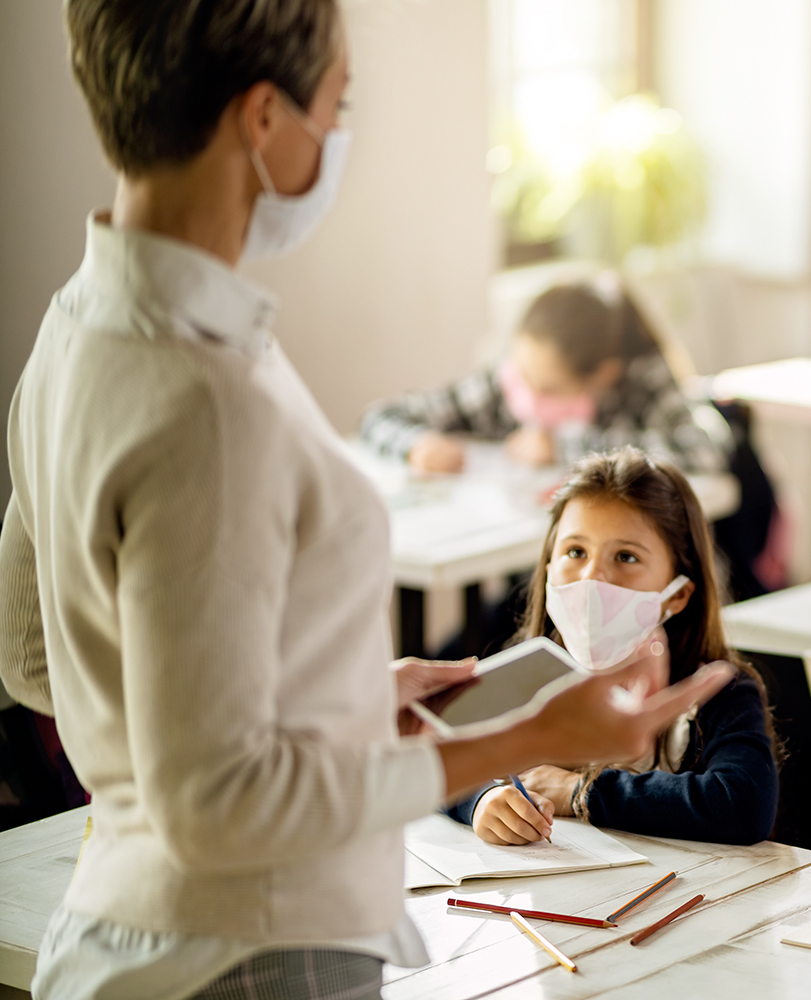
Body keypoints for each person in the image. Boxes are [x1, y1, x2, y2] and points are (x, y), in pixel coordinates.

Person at [0, 4, 730, 998]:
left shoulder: (71, 330)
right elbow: (219, 803)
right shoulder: (205, 397)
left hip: (131, 919)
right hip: (250, 949)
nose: (342, 134)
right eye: (338, 104)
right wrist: (527, 741)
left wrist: (328, 701)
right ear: (264, 120)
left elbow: (40, 660)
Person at [448, 448, 778, 846]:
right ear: (548, 568)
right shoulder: (521, 674)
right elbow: (429, 757)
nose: (593, 578)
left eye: (626, 557)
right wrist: (481, 801)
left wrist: (581, 792)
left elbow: (742, 807)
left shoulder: (718, 692)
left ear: (678, 594)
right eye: (575, 552)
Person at [359, 279, 729, 476]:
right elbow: (381, 415)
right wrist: (417, 445)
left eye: (550, 388)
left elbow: (705, 449)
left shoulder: (642, 380)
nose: (528, 393)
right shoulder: (506, 384)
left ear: (604, 375)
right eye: (523, 372)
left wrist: (565, 448)